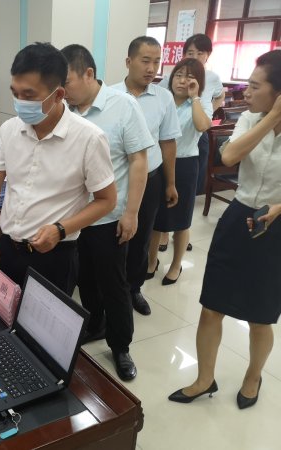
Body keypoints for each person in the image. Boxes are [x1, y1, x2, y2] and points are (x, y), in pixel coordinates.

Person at [169, 50, 281, 410]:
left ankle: (253, 376)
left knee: (260, 316)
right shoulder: (250, 118)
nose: (246, 92)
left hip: (275, 225)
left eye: (255, 86)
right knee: (212, 305)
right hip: (238, 217)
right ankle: (205, 379)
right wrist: (272, 117)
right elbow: (229, 157)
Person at [0, 42, 116, 296]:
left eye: (29, 95)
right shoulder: (9, 130)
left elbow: (107, 200)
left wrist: (61, 229)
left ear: (58, 95)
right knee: (2, 317)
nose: (20, 102)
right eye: (15, 93)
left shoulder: (89, 138)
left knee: (44, 322)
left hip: (55, 257)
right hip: (9, 247)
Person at [61, 44, 151, 381]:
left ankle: (120, 346)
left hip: (109, 217)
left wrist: (132, 213)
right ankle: (95, 323)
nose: (62, 90)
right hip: (75, 217)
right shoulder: (65, 109)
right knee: (85, 278)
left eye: (66, 82)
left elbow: (138, 161)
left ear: (88, 74)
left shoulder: (122, 106)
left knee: (114, 284)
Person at [112, 36, 181, 316]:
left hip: (150, 179)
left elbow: (168, 142)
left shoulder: (164, 98)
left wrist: (171, 183)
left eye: (156, 62)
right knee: (112, 236)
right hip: (115, 179)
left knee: (141, 237)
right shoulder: (110, 95)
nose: (152, 68)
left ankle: (133, 289)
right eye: (145, 61)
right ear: (129, 62)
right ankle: (110, 290)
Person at [158, 33, 225, 252]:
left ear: (207, 55)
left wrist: (200, 102)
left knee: (184, 201)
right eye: (189, 52)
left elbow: (218, 100)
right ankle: (163, 235)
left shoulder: (210, 78)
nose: (194, 56)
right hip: (165, 150)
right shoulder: (169, 86)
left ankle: (180, 235)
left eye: (199, 53)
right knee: (161, 203)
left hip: (193, 139)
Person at [147, 59, 211, 285]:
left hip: (185, 166)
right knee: (155, 218)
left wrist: (195, 98)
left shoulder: (200, 103)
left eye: (189, 77)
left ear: (198, 82)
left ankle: (176, 266)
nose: (182, 81)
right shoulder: (162, 100)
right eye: (178, 75)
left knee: (182, 221)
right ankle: (151, 262)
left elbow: (202, 126)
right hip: (158, 163)